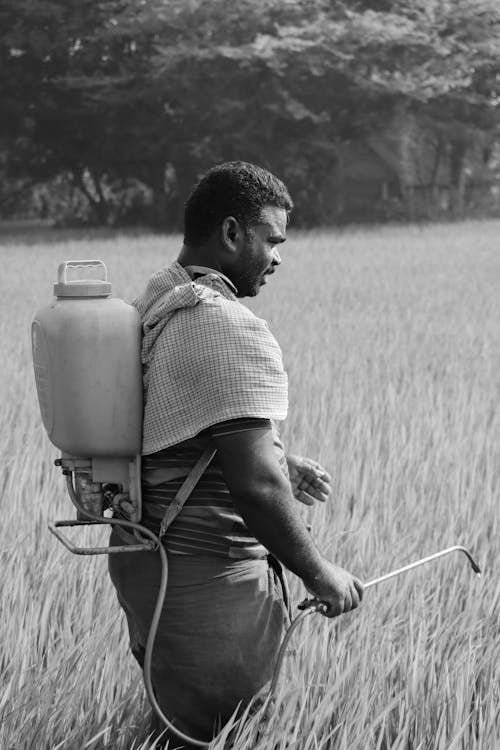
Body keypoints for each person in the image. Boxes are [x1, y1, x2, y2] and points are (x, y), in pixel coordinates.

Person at [108, 161, 363, 748]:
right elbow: (256, 487)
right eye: (272, 239)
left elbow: (178, 421)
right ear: (231, 233)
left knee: (177, 725)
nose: (278, 257)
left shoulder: (163, 298)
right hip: (208, 579)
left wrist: (279, 455)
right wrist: (319, 572)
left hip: (148, 563)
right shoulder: (227, 326)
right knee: (232, 728)